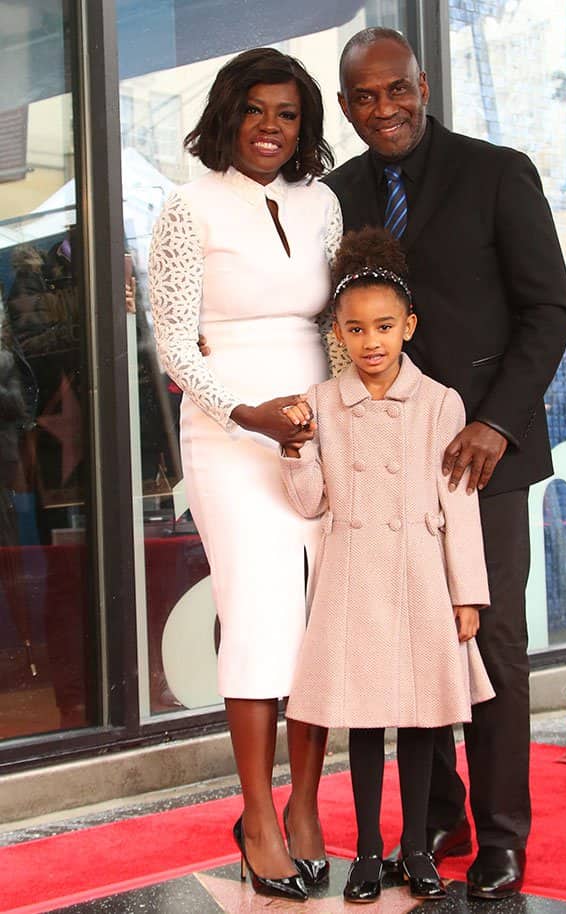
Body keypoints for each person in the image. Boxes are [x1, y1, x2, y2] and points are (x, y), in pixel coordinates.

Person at [322, 28, 566, 899]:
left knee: (491, 641)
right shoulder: (337, 195)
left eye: (396, 90)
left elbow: (549, 309)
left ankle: (503, 836)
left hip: (482, 460)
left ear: (422, 87)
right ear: (346, 104)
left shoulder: (497, 171)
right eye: (363, 96)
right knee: (412, 641)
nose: (382, 108)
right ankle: (445, 813)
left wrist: (497, 423)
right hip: (380, 467)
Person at [148, 47, 342, 903]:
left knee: (323, 621)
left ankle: (306, 806)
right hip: (232, 436)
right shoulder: (186, 209)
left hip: (319, 429)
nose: (271, 128)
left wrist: (343, 418)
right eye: (256, 111)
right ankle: (257, 815)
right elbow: (173, 343)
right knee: (260, 615)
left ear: (304, 125)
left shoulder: (323, 203)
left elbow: (339, 325)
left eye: (287, 114)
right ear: (227, 114)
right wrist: (249, 413)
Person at [280, 227, 495, 904]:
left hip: (422, 577)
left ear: (409, 326)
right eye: (355, 330)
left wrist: (469, 596)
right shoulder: (322, 404)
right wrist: (296, 449)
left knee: (427, 723)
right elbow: (311, 501)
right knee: (366, 722)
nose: (370, 342)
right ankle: (369, 853)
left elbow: (459, 506)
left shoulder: (439, 404)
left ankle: (415, 850)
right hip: (353, 577)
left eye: (383, 327)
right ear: (337, 335)